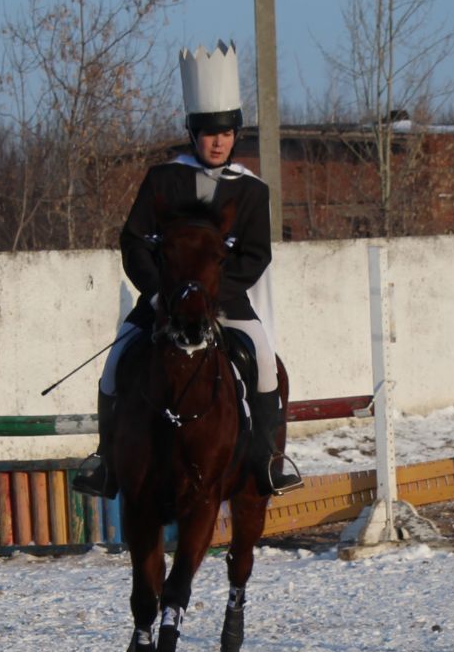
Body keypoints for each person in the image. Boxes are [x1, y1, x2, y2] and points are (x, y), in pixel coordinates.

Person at [74, 40, 302, 499]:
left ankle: (268, 460)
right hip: (163, 301)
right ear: (192, 133)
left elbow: (256, 255)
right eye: (207, 132)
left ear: (236, 134)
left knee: (263, 366)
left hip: (226, 302)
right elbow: (133, 241)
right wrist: (162, 294)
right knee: (114, 366)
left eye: (225, 133)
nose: (217, 141)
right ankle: (106, 461)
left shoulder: (252, 192)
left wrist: (212, 296)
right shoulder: (163, 180)